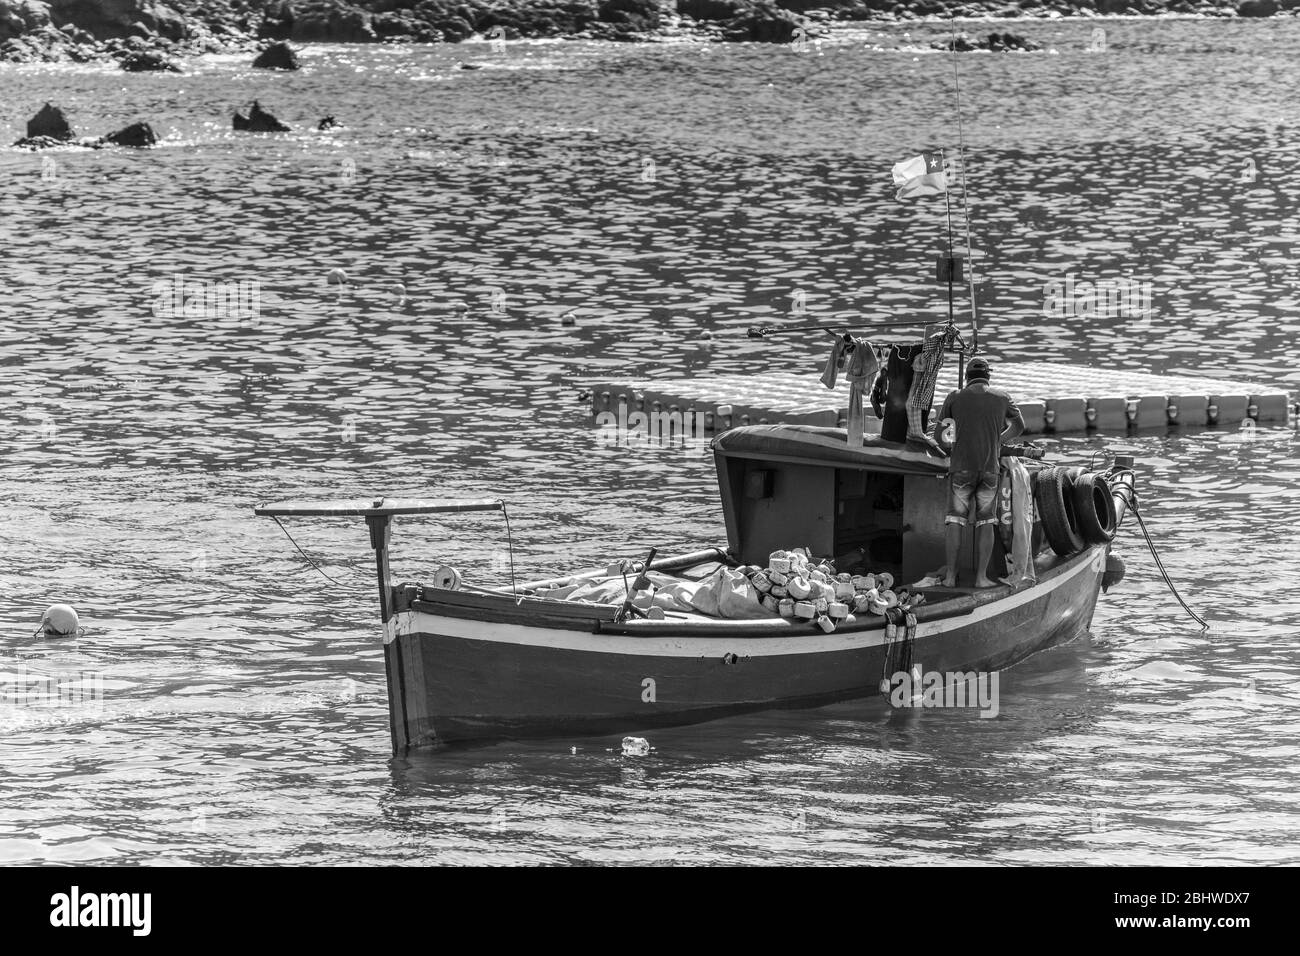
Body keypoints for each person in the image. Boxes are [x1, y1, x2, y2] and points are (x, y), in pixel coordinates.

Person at [934, 357, 1025, 588]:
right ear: (988, 376)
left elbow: (940, 435)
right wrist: (998, 440)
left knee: (955, 520)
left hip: (961, 468)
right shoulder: (1003, 397)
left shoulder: (955, 397)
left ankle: (951, 577)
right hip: (989, 469)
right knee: (986, 521)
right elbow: (1019, 425)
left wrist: (952, 447)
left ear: (967, 377)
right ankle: (982, 578)